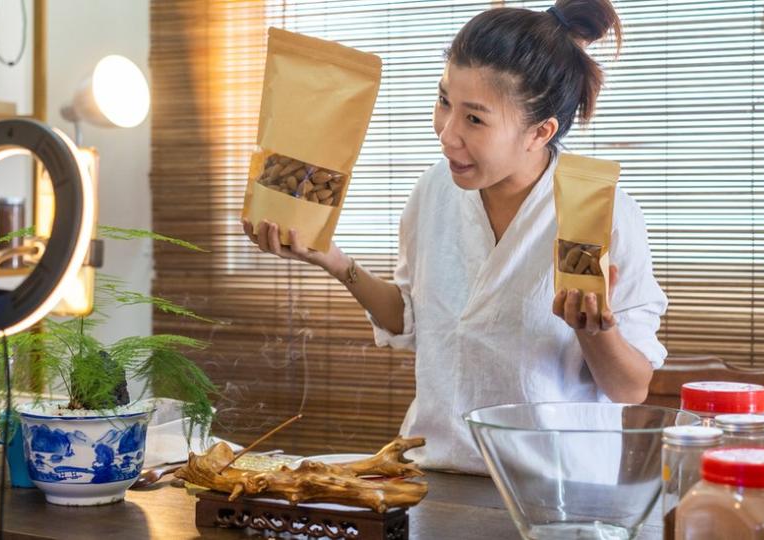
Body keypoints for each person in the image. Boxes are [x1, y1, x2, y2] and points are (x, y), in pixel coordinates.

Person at [241, 0, 667, 474]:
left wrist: (595, 333)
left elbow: (631, 389)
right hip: (433, 473)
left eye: (475, 119)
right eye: (444, 101)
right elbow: (413, 319)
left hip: (556, 491)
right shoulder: (435, 189)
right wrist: (335, 261)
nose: (446, 133)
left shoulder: (602, 213)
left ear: (539, 132)